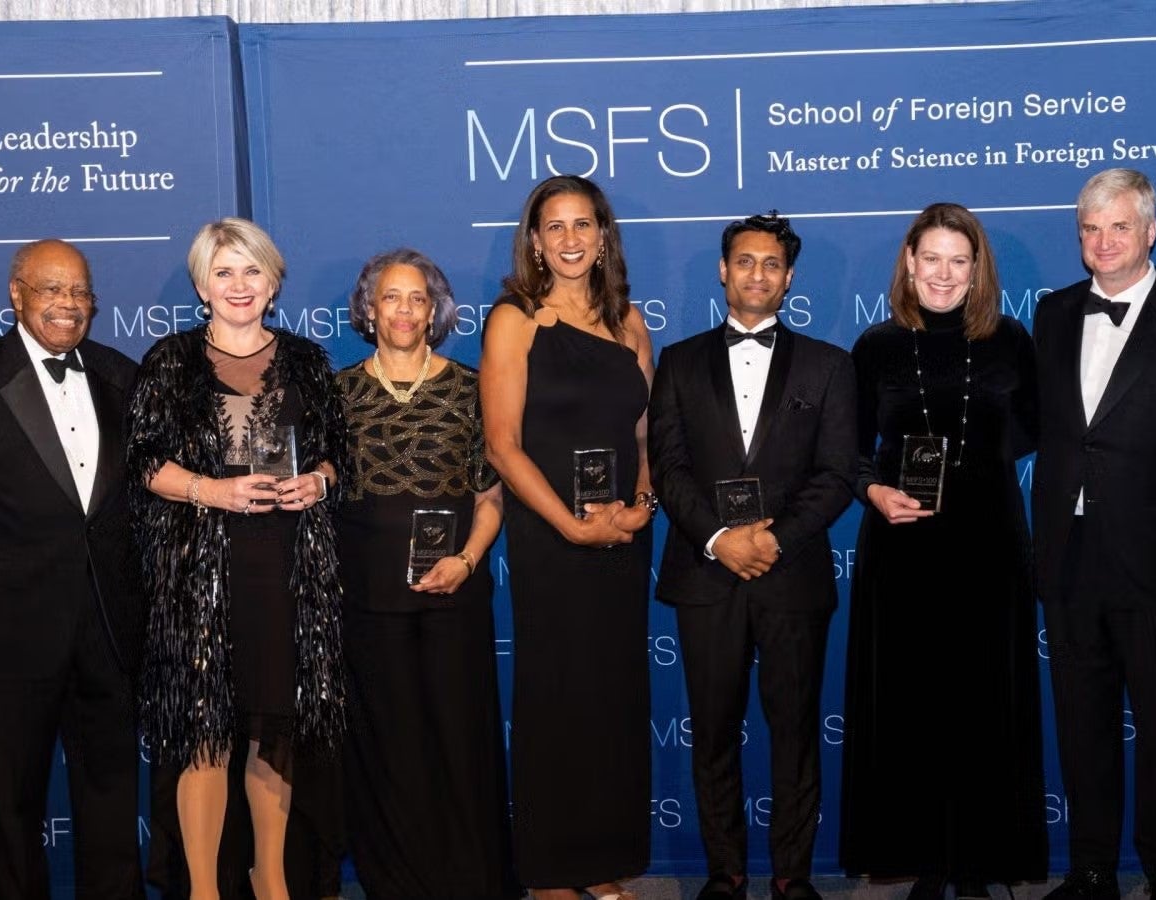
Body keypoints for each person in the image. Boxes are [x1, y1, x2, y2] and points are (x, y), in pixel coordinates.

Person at [1031, 168, 1156, 900]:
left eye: (1120, 226)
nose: (1104, 241)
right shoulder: (1053, 313)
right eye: (1091, 228)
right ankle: (1091, 869)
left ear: (1151, 232)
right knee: (1080, 723)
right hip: (1068, 555)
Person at [0, 239, 144, 899]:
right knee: (14, 806)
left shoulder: (120, 374)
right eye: (51, 289)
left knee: (111, 797)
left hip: (109, 627)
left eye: (79, 291)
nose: (67, 304)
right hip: (12, 627)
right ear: (17, 295)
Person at [126, 217, 347, 900]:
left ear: (274, 282)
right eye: (224, 272)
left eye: (253, 270)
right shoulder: (170, 361)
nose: (239, 285)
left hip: (286, 572)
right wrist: (212, 490)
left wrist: (319, 483)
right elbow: (144, 462)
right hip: (201, 575)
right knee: (206, 731)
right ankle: (203, 888)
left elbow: (337, 455)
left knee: (272, 728)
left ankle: (270, 877)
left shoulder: (307, 361)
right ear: (202, 286)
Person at [837, 203, 1046, 900]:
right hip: (903, 544)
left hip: (989, 543)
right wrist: (874, 491)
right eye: (932, 258)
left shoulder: (1012, 341)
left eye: (960, 260)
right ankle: (924, 859)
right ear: (909, 262)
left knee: (985, 700)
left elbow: (1036, 430)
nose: (944, 274)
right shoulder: (875, 346)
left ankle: (978, 863)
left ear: (978, 268)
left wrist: (977, 468)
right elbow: (848, 450)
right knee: (912, 705)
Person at [648, 211, 856, 900]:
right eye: (744, 261)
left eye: (771, 264)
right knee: (712, 732)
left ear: (789, 277)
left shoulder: (829, 366)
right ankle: (724, 873)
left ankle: (792, 876)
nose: (757, 275)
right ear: (722, 270)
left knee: (795, 732)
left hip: (790, 574)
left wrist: (773, 538)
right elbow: (668, 467)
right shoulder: (678, 362)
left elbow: (836, 473)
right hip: (706, 572)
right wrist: (720, 539)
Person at [480, 174, 656, 900]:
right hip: (552, 540)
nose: (571, 239)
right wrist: (571, 527)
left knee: (612, 698)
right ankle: (553, 872)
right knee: (557, 698)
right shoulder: (514, 319)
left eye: (583, 224)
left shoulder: (631, 323)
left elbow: (643, 435)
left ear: (604, 236)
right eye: (555, 226)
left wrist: (640, 506)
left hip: (622, 539)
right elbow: (502, 445)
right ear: (535, 241)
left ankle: (602, 862)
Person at [335, 248, 519, 900]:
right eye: (391, 297)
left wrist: (466, 560)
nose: (405, 310)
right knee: (390, 743)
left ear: (435, 310)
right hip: (369, 600)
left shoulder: (471, 388)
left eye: (418, 298)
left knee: (459, 738)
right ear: (369, 308)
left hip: (454, 595)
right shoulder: (338, 393)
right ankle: (398, 883)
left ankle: (470, 880)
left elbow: (492, 495)